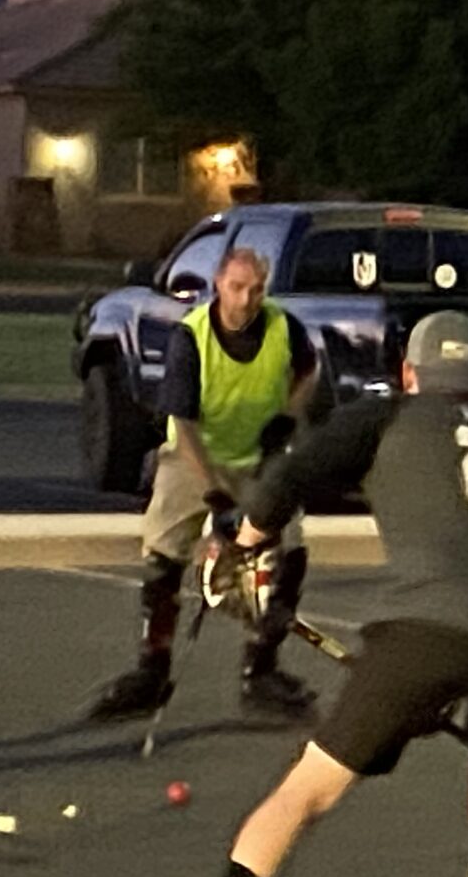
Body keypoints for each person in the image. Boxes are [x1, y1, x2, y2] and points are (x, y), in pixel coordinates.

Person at [113, 310, 468, 877]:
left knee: (308, 788)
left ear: (410, 373)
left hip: (430, 633)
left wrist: (244, 548)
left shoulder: (389, 415)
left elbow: (287, 479)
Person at [88, 246, 319, 721]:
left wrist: (288, 417)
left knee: (289, 554)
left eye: (257, 289)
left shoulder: (283, 327)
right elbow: (184, 423)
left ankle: (262, 671)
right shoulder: (190, 338)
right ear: (218, 285)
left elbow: (309, 371)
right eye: (237, 288)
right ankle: (151, 671)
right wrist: (215, 496)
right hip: (195, 457)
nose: (247, 300)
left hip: (257, 457)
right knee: (163, 557)